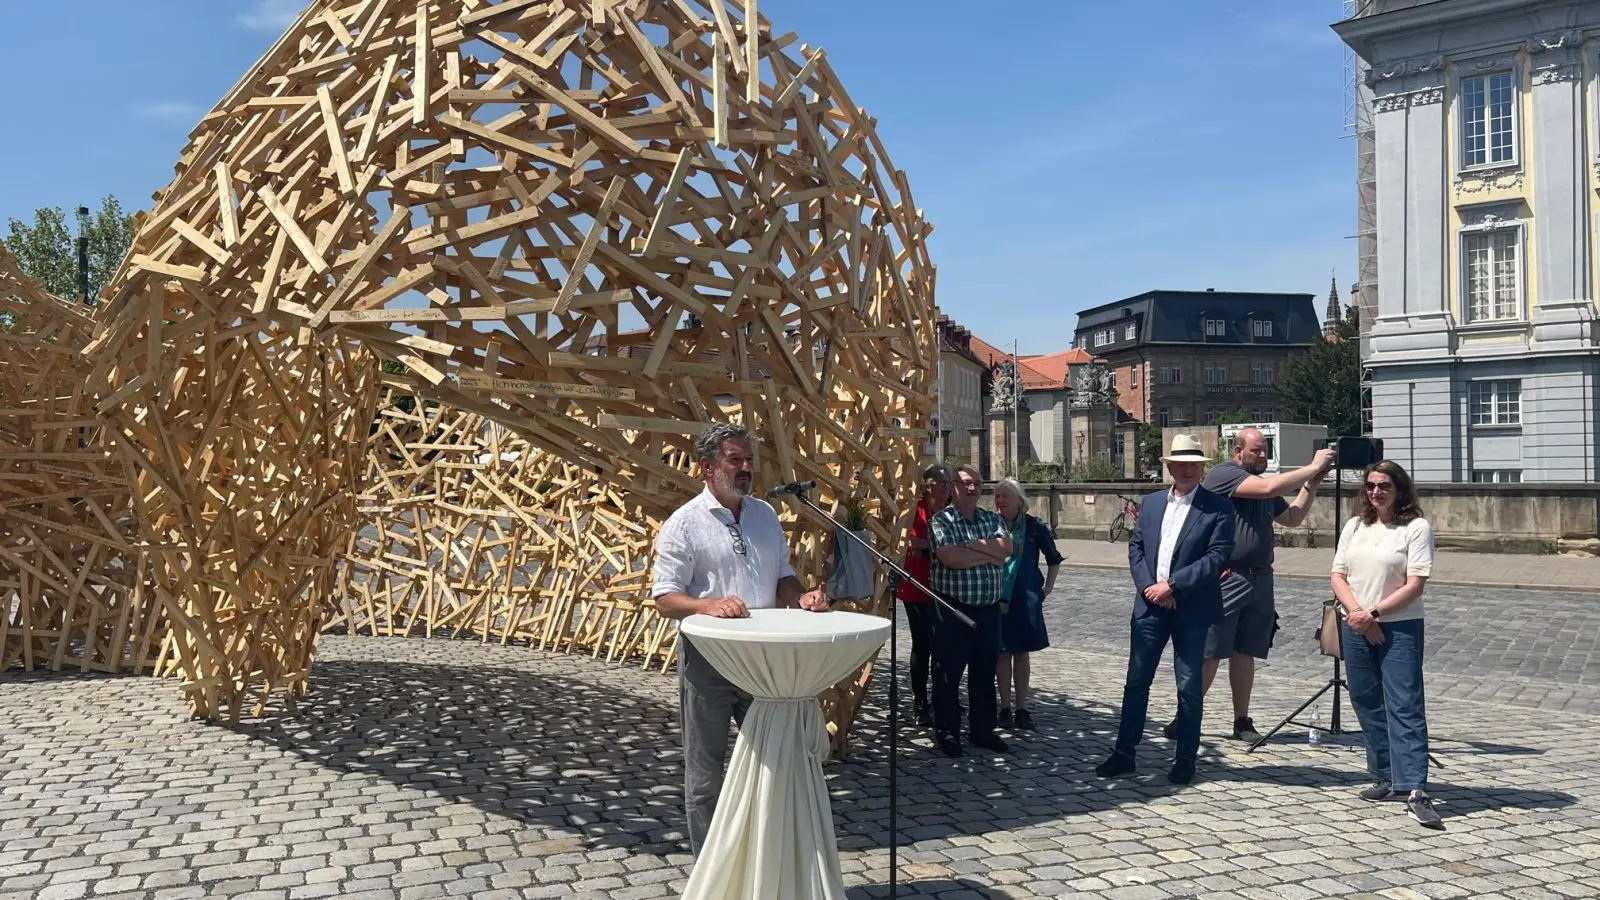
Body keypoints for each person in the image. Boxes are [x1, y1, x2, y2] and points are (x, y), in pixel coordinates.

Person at [651, 422, 831, 856]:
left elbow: (783, 577)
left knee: (775, 762)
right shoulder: (684, 524)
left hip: (764, 662)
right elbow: (664, 598)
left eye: (750, 460)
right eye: (736, 460)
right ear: (707, 467)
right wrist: (706, 605)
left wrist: (801, 597)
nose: (747, 468)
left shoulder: (766, 516)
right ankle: (711, 870)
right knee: (706, 771)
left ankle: (766, 861)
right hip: (709, 662)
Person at [1170, 429, 1334, 744]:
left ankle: (1242, 720)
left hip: (1260, 577)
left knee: (1245, 650)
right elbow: (1270, 486)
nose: (1262, 455)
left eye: (1265, 450)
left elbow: (1292, 518)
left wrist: (1311, 485)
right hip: (1227, 577)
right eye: (1256, 450)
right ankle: (1185, 717)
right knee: (1211, 651)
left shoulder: (1264, 488)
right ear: (1238, 451)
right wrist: (1311, 466)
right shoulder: (1225, 474)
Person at [1096, 434, 1235, 785]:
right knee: (1136, 683)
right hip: (1149, 607)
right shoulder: (1153, 503)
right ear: (1169, 467)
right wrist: (1150, 588)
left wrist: (1172, 586)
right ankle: (1124, 753)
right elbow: (1137, 549)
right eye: (1180, 464)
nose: (1186, 470)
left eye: (1193, 464)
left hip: (1191, 609)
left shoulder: (1218, 508)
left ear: (1200, 469)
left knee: (1188, 686)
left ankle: (1185, 758)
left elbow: (1216, 558)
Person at [1331, 460, 1441, 830]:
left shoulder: (1415, 527)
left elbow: (1415, 585)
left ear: (1400, 489)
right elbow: (1337, 574)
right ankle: (1385, 775)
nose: (1376, 492)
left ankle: (1414, 788)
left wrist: (1373, 615)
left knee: (1404, 704)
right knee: (1366, 700)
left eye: (1384, 486)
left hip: (1400, 626)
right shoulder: (1355, 525)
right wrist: (1358, 615)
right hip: (1356, 622)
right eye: (1371, 486)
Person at [927, 464, 1012, 757]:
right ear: (953, 485)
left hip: (988, 610)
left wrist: (971, 546)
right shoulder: (943, 520)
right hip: (953, 609)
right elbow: (950, 557)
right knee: (948, 673)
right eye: (966, 483)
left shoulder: (990, 517)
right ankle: (948, 733)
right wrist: (987, 554)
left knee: (984, 671)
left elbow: (1005, 549)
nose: (973, 488)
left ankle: (982, 730)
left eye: (977, 483)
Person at [992, 478, 1062, 731]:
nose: (999, 500)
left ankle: (1021, 707)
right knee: (1001, 653)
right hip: (998, 599)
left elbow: (1053, 558)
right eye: (997, 496)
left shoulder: (1034, 527)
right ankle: (1004, 707)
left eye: (1004, 496)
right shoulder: (991, 525)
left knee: (1021, 654)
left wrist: (1048, 588)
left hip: (1025, 599)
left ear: (1019, 501)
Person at [897, 464, 952, 726]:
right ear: (928, 485)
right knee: (922, 644)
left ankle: (944, 697)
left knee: (946, 645)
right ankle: (920, 701)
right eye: (941, 482)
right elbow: (909, 542)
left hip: (948, 586)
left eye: (948, 482)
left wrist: (927, 547)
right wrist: (940, 547)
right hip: (916, 586)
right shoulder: (915, 507)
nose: (946, 487)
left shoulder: (952, 507)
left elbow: (923, 544)